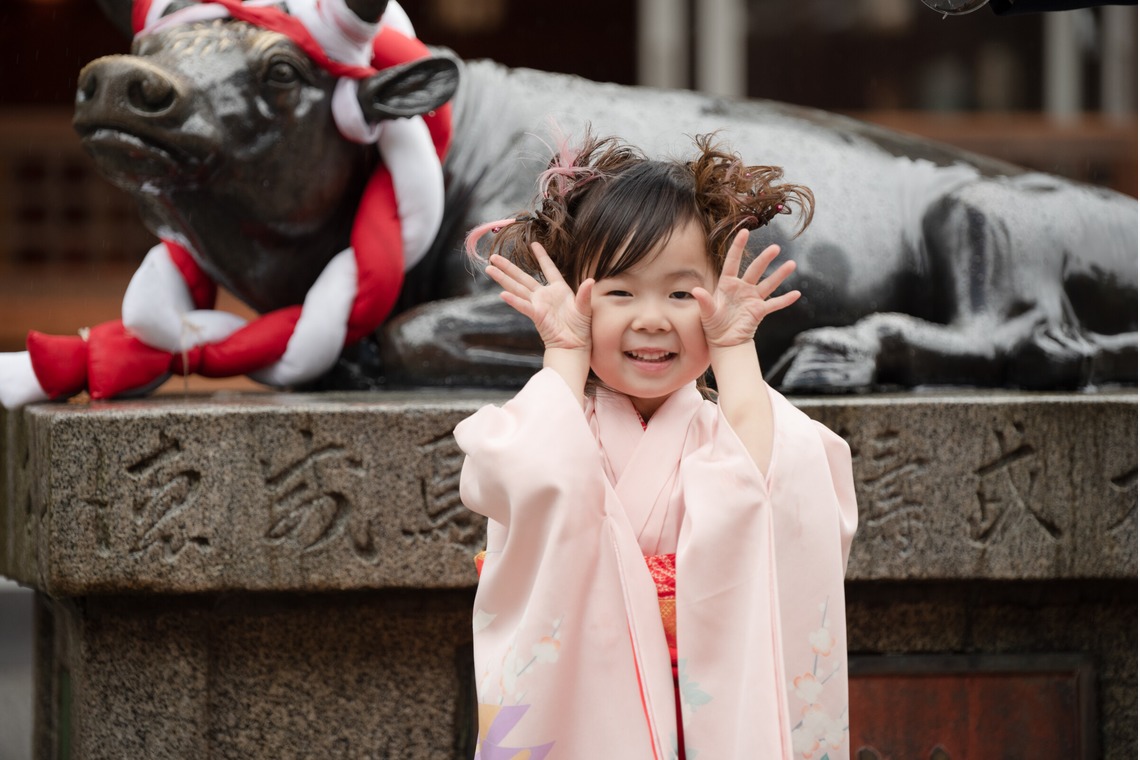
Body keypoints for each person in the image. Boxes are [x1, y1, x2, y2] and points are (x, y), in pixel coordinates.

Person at [454, 131, 858, 760]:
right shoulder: (562, 427)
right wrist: (563, 350)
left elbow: (775, 484)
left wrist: (734, 350)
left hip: (711, 707)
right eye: (619, 292)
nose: (651, 318)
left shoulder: (723, 431)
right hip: (591, 709)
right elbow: (530, 476)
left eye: (680, 293)